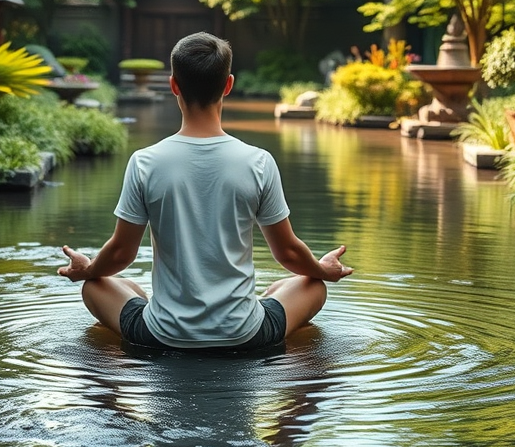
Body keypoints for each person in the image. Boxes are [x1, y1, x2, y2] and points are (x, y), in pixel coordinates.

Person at [57, 32, 352, 351]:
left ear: (173, 85)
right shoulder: (258, 162)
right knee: (311, 285)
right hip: (245, 335)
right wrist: (325, 270)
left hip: (162, 336)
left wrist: (86, 269)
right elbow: (289, 253)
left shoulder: (145, 162)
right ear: (228, 84)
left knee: (96, 285)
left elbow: (120, 254)